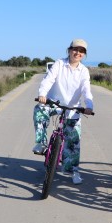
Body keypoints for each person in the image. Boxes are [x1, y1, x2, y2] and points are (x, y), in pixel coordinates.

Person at [32, 39, 94, 185]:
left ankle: (73, 171)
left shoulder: (84, 71)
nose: (77, 53)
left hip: (73, 108)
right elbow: (48, 79)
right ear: (69, 50)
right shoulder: (59, 63)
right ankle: (41, 142)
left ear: (84, 54)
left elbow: (86, 90)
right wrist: (42, 94)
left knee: (73, 142)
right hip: (55, 103)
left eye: (82, 51)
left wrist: (89, 105)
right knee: (39, 110)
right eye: (75, 49)